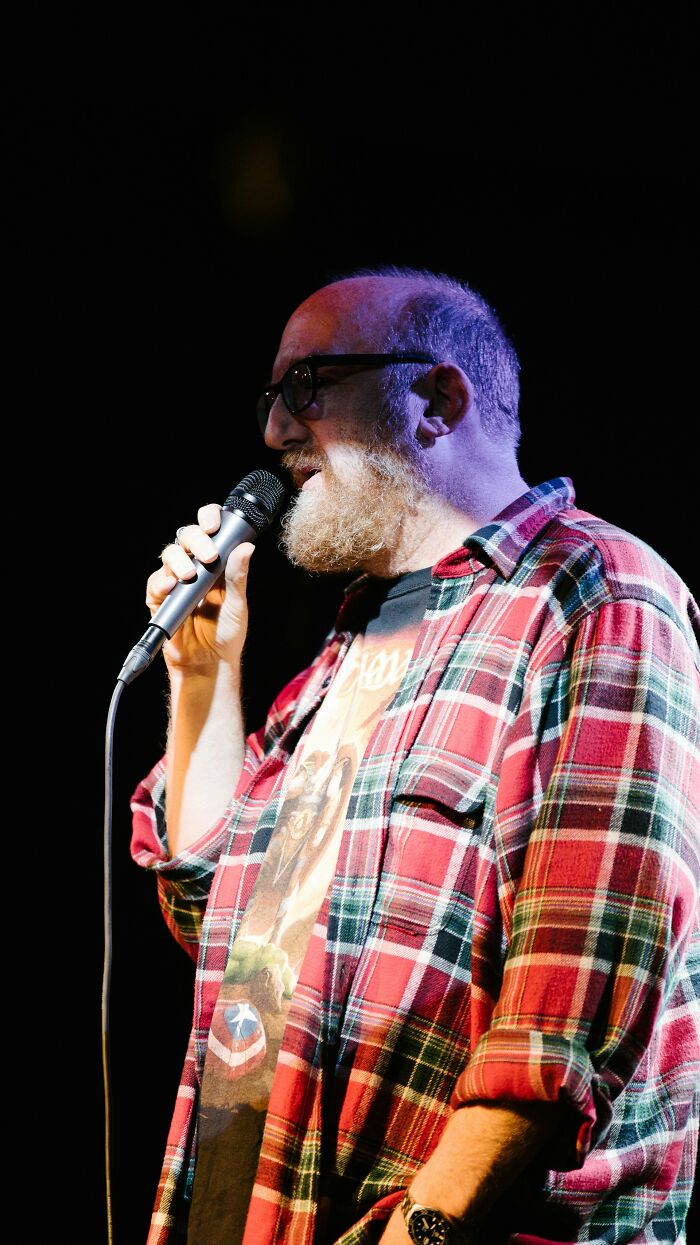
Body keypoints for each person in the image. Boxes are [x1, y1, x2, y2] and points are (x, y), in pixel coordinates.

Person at [130, 266, 700, 1245]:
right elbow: (213, 925)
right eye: (270, 396)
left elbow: (566, 1008)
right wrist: (203, 678)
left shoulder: (595, 595)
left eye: (309, 387)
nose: (274, 432)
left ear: (435, 398)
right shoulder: (346, 650)